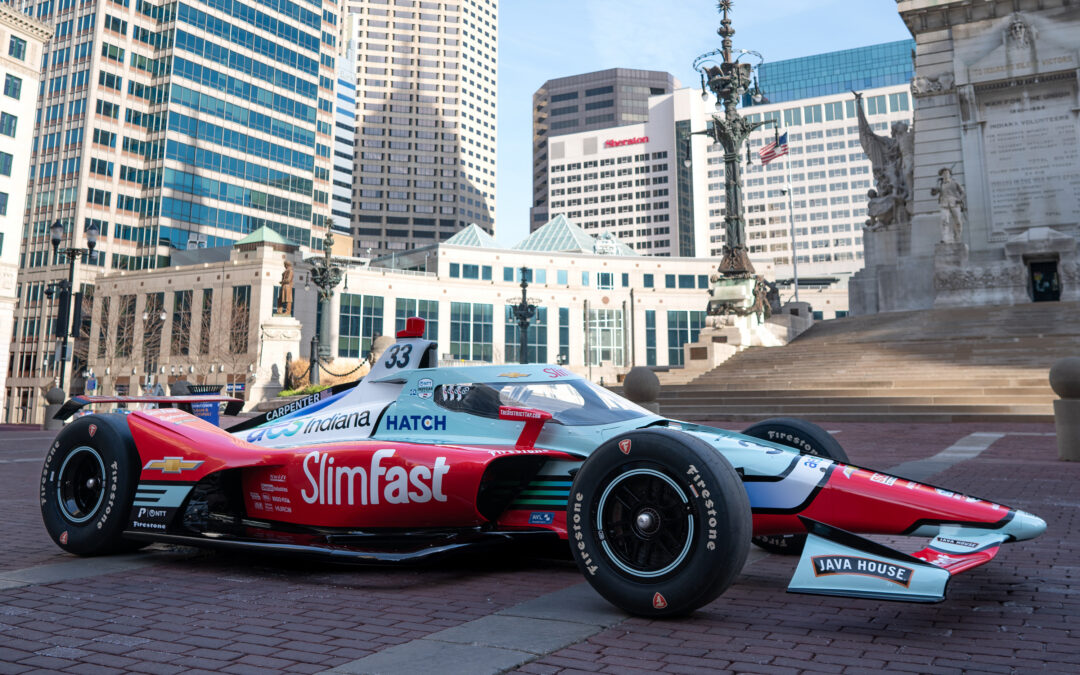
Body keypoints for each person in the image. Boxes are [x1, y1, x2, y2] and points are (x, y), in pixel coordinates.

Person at [931, 168, 966, 243]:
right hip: (944, 204)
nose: (946, 174)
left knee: (958, 221)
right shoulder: (940, 184)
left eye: (947, 173)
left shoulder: (955, 182)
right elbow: (933, 194)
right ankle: (945, 237)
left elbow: (963, 192)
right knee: (944, 220)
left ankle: (957, 237)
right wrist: (933, 190)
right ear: (942, 175)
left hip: (955, 203)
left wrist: (960, 199)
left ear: (950, 174)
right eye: (944, 173)